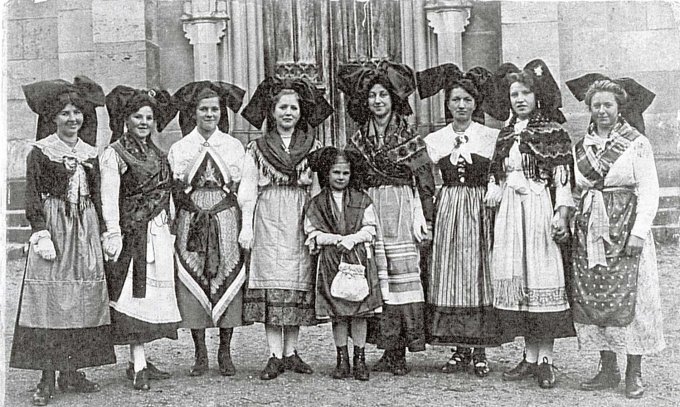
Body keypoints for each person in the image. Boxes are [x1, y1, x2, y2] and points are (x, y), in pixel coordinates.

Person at [10, 77, 116, 406]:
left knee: (83, 298)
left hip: (84, 229)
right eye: (65, 114)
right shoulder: (41, 152)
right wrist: (40, 232)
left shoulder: (91, 154)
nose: (72, 119)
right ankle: (46, 376)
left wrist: (105, 230)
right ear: (53, 118)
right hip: (54, 231)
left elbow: (98, 196)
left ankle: (72, 370)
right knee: (49, 303)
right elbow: (32, 198)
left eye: (77, 113)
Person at [565, 75, 665, 399]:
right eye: (597, 105)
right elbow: (573, 188)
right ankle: (607, 368)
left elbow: (650, 190)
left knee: (633, 300)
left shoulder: (636, 143)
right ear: (589, 109)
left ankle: (634, 370)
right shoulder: (582, 147)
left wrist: (639, 233)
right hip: (591, 233)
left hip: (627, 231)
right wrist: (565, 214)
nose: (603, 110)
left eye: (608, 105)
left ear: (619, 107)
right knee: (596, 299)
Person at [337, 60, 435, 375]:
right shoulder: (359, 139)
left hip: (402, 207)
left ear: (394, 99)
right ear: (365, 102)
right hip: (371, 207)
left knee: (402, 277)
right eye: (372, 96)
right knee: (378, 275)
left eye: (383, 95)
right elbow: (351, 179)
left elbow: (423, 179)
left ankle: (401, 351)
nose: (377, 101)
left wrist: (424, 216)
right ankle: (385, 347)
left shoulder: (408, 134)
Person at [485, 60, 575, 389]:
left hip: (539, 208)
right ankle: (529, 356)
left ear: (538, 96)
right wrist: (496, 186)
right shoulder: (506, 133)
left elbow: (562, 180)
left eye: (525, 93)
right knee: (519, 279)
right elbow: (497, 171)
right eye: (514, 94)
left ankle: (546, 359)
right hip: (511, 212)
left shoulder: (553, 133)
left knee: (541, 276)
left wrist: (560, 213)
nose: (519, 99)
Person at [238, 76, 334, 380]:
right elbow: (247, 190)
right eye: (282, 107)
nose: (288, 113)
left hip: (300, 216)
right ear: (272, 111)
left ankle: (291, 352)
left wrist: (317, 226)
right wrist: (246, 227)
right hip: (268, 215)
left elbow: (319, 191)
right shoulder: (257, 148)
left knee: (296, 281)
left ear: (300, 111)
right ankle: (274, 354)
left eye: (293, 107)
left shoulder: (314, 147)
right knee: (271, 282)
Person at [416, 64, 501, 376]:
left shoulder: (491, 136)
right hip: (450, 207)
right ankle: (459, 349)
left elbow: (500, 173)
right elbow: (427, 180)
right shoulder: (436, 139)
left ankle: (480, 350)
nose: (461, 105)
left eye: (466, 99)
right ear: (447, 105)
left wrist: (495, 186)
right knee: (453, 276)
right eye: (455, 100)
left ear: (475, 103)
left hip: (480, 207)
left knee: (479, 274)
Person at [100, 86, 181, 390]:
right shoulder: (115, 154)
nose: (144, 122)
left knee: (151, 298)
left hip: (157, 231)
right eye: (137, 116)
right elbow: (109, 198)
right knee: (134, 296)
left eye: (148, 116)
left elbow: (167, 193)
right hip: (133, 232)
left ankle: (139, 360)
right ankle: (139, 365)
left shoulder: (158, 154)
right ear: (126, 119)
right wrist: (113, 233)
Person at [168, 81, 247, 377]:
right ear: (194, 112)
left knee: (228, 274)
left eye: (215, 109)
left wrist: (244, 225)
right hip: (192, 217)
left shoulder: (233, 146)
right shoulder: (180, 148)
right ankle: (200, 353)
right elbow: (173, 191)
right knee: (193, 275)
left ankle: (224, 351)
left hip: (225, 215)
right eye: (204, 109)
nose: (209, 114)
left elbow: (243, 187)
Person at [304, 147, 389, 381]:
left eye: (345, 173)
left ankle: (359, 359)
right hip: (332, 259)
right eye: (335, 172)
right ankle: (342, 359)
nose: (341, 177)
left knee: (359, 312)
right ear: (326, 174)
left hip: (358, 257)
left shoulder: (362, 199)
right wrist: (336, 239)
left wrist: (353, 239)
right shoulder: (317, 202)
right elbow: (312, 231)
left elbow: (370, 228)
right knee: (338, 313)